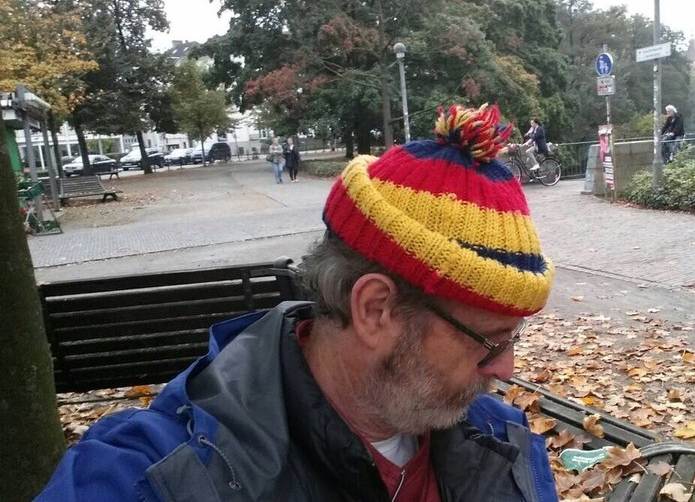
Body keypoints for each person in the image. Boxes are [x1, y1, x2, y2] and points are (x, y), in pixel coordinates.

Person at [36, 103, 558, 502]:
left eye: (514, 337)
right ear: (375, 310)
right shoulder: (160, 476)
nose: (508, 369)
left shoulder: (501, 441)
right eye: (489, 340)